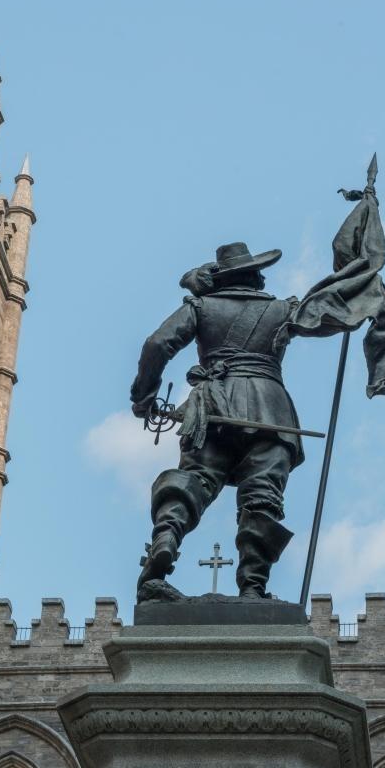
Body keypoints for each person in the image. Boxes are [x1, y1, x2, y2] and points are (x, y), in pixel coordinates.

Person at [130, 242, 304, 600]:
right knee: (261, 496)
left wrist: (144, 396)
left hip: (214, 407)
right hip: (271, 411)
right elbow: (332, 315)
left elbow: (156, 343)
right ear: (253, 276)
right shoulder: (283, 310)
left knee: (195, 480)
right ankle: (253, 588)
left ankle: (164, 543)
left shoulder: (200, 307)